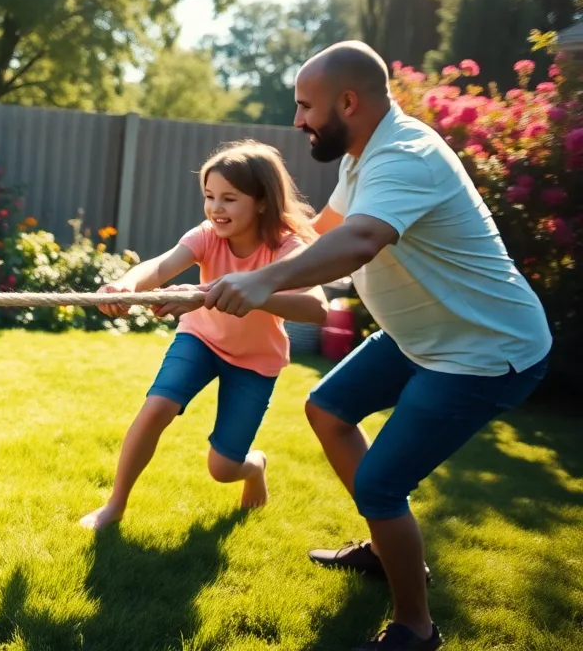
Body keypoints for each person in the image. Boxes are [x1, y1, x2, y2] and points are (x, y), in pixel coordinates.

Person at [205, 41, 551, 651]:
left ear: (348, 101)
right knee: (327, 410)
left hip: (484, 351)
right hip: (423, 336)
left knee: (381, 486)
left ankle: (416, 628)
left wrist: (262, 280)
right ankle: (386, 545)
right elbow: (323, 235)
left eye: (305, 106)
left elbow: (360, 241)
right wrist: (234, 252)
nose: (297, 121)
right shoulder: (364, 155)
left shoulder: (405, 156)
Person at [80, 140, 327, 531]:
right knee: (156, 408)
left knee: (223, 468)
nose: (215, 208)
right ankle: (115, 505)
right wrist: (124, 286)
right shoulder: (208, 234)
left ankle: (254, 466)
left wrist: (254, 293)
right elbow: (161, 266)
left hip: (255, 360)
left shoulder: (287, 247)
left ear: (262, 201)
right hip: (201, 339)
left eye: (229, 198)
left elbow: (317, 309)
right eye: (209, 196)